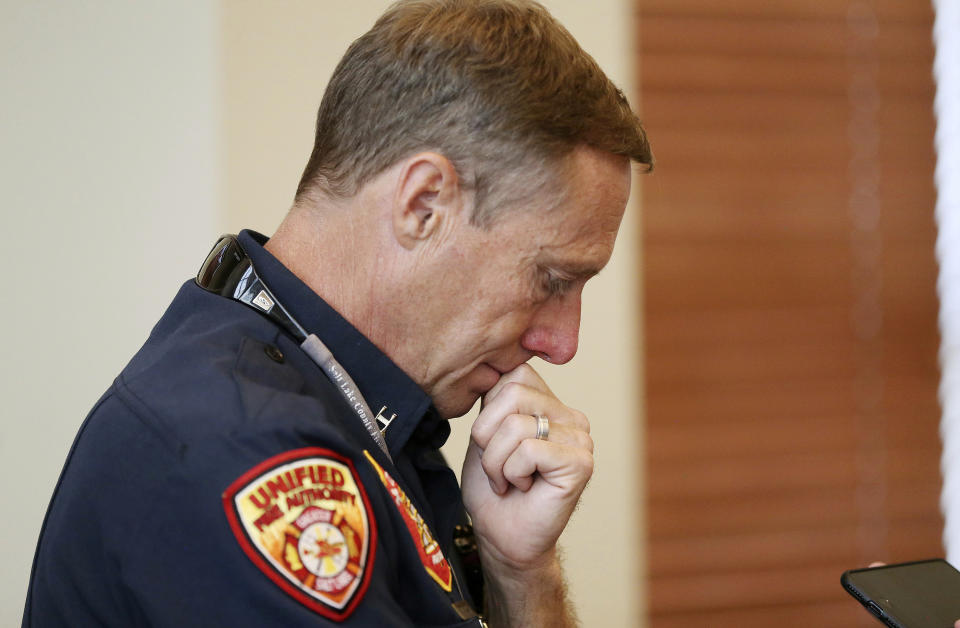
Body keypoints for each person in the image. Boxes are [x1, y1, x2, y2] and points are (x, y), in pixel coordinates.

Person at [23, 0, 652, 626]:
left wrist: (523, 574)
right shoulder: (244, 452)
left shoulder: (361, 401)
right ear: (424, 204)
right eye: (551, 279)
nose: (561, 342)